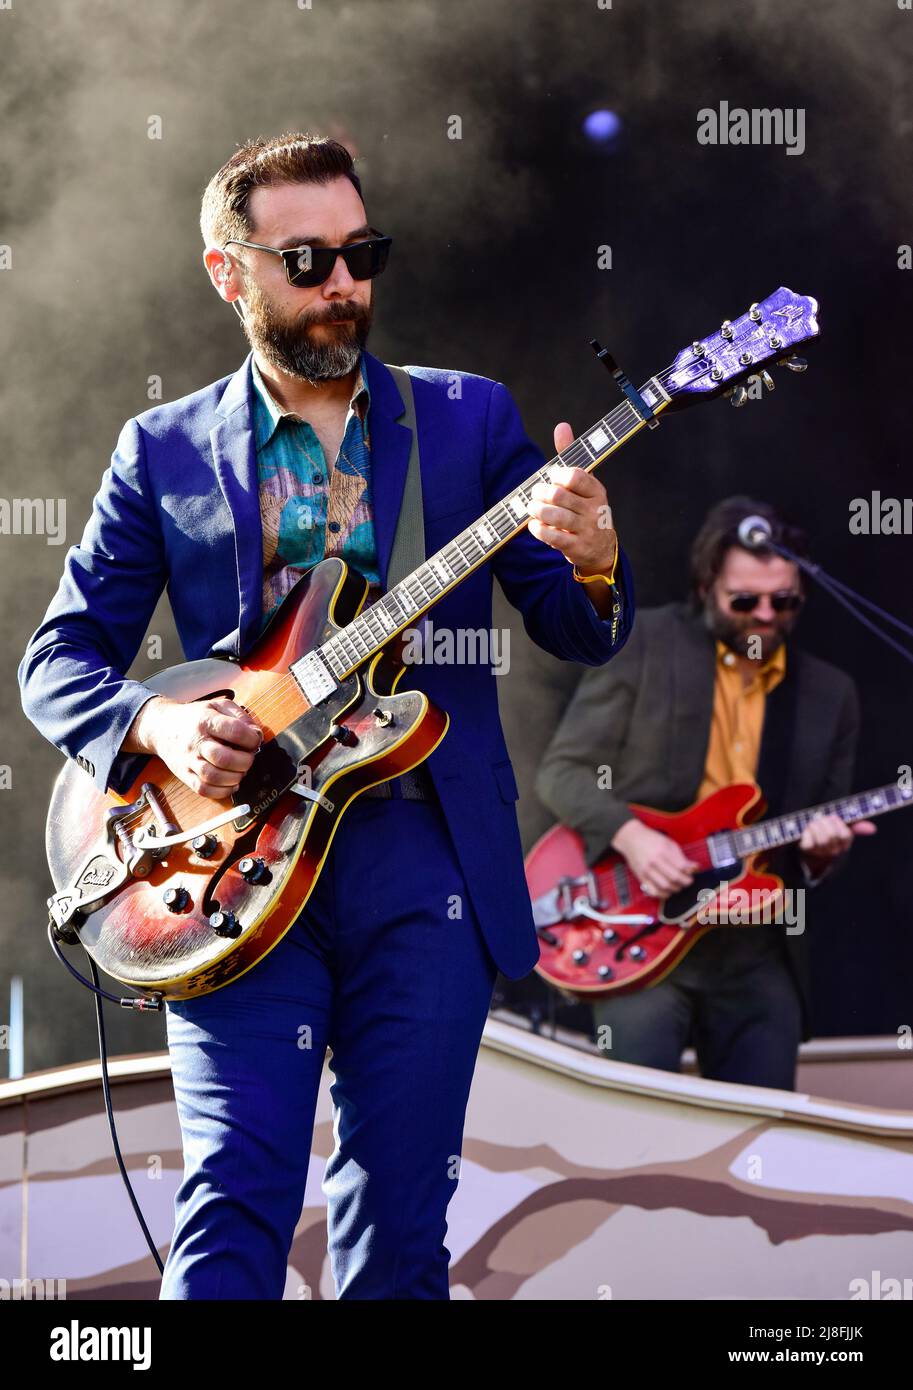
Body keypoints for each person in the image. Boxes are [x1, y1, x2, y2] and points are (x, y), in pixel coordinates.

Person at [18, 132, 634, 1300]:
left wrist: (595, 558)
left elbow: (566, 618)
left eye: (363, 253)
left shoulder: (464, 416)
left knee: (400, 1220)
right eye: (306, 260)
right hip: (231, 864)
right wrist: (158, 729)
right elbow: (59, 660)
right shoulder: (162, 448)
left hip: (421, 857)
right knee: (234, 1204)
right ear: (227, 272)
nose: (344, 282)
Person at [536, 496, 875, 1091]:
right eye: (744, 601)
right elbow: (562, 772)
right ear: (705, 588)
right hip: (636, 924)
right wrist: (633, 837)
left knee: (761, 1129)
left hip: (751, 947)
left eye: (784, 601)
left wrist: (822, 856)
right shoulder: (644, 643)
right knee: (637, 1117)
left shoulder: (830, 694)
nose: (765, 615)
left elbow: (813, 839)